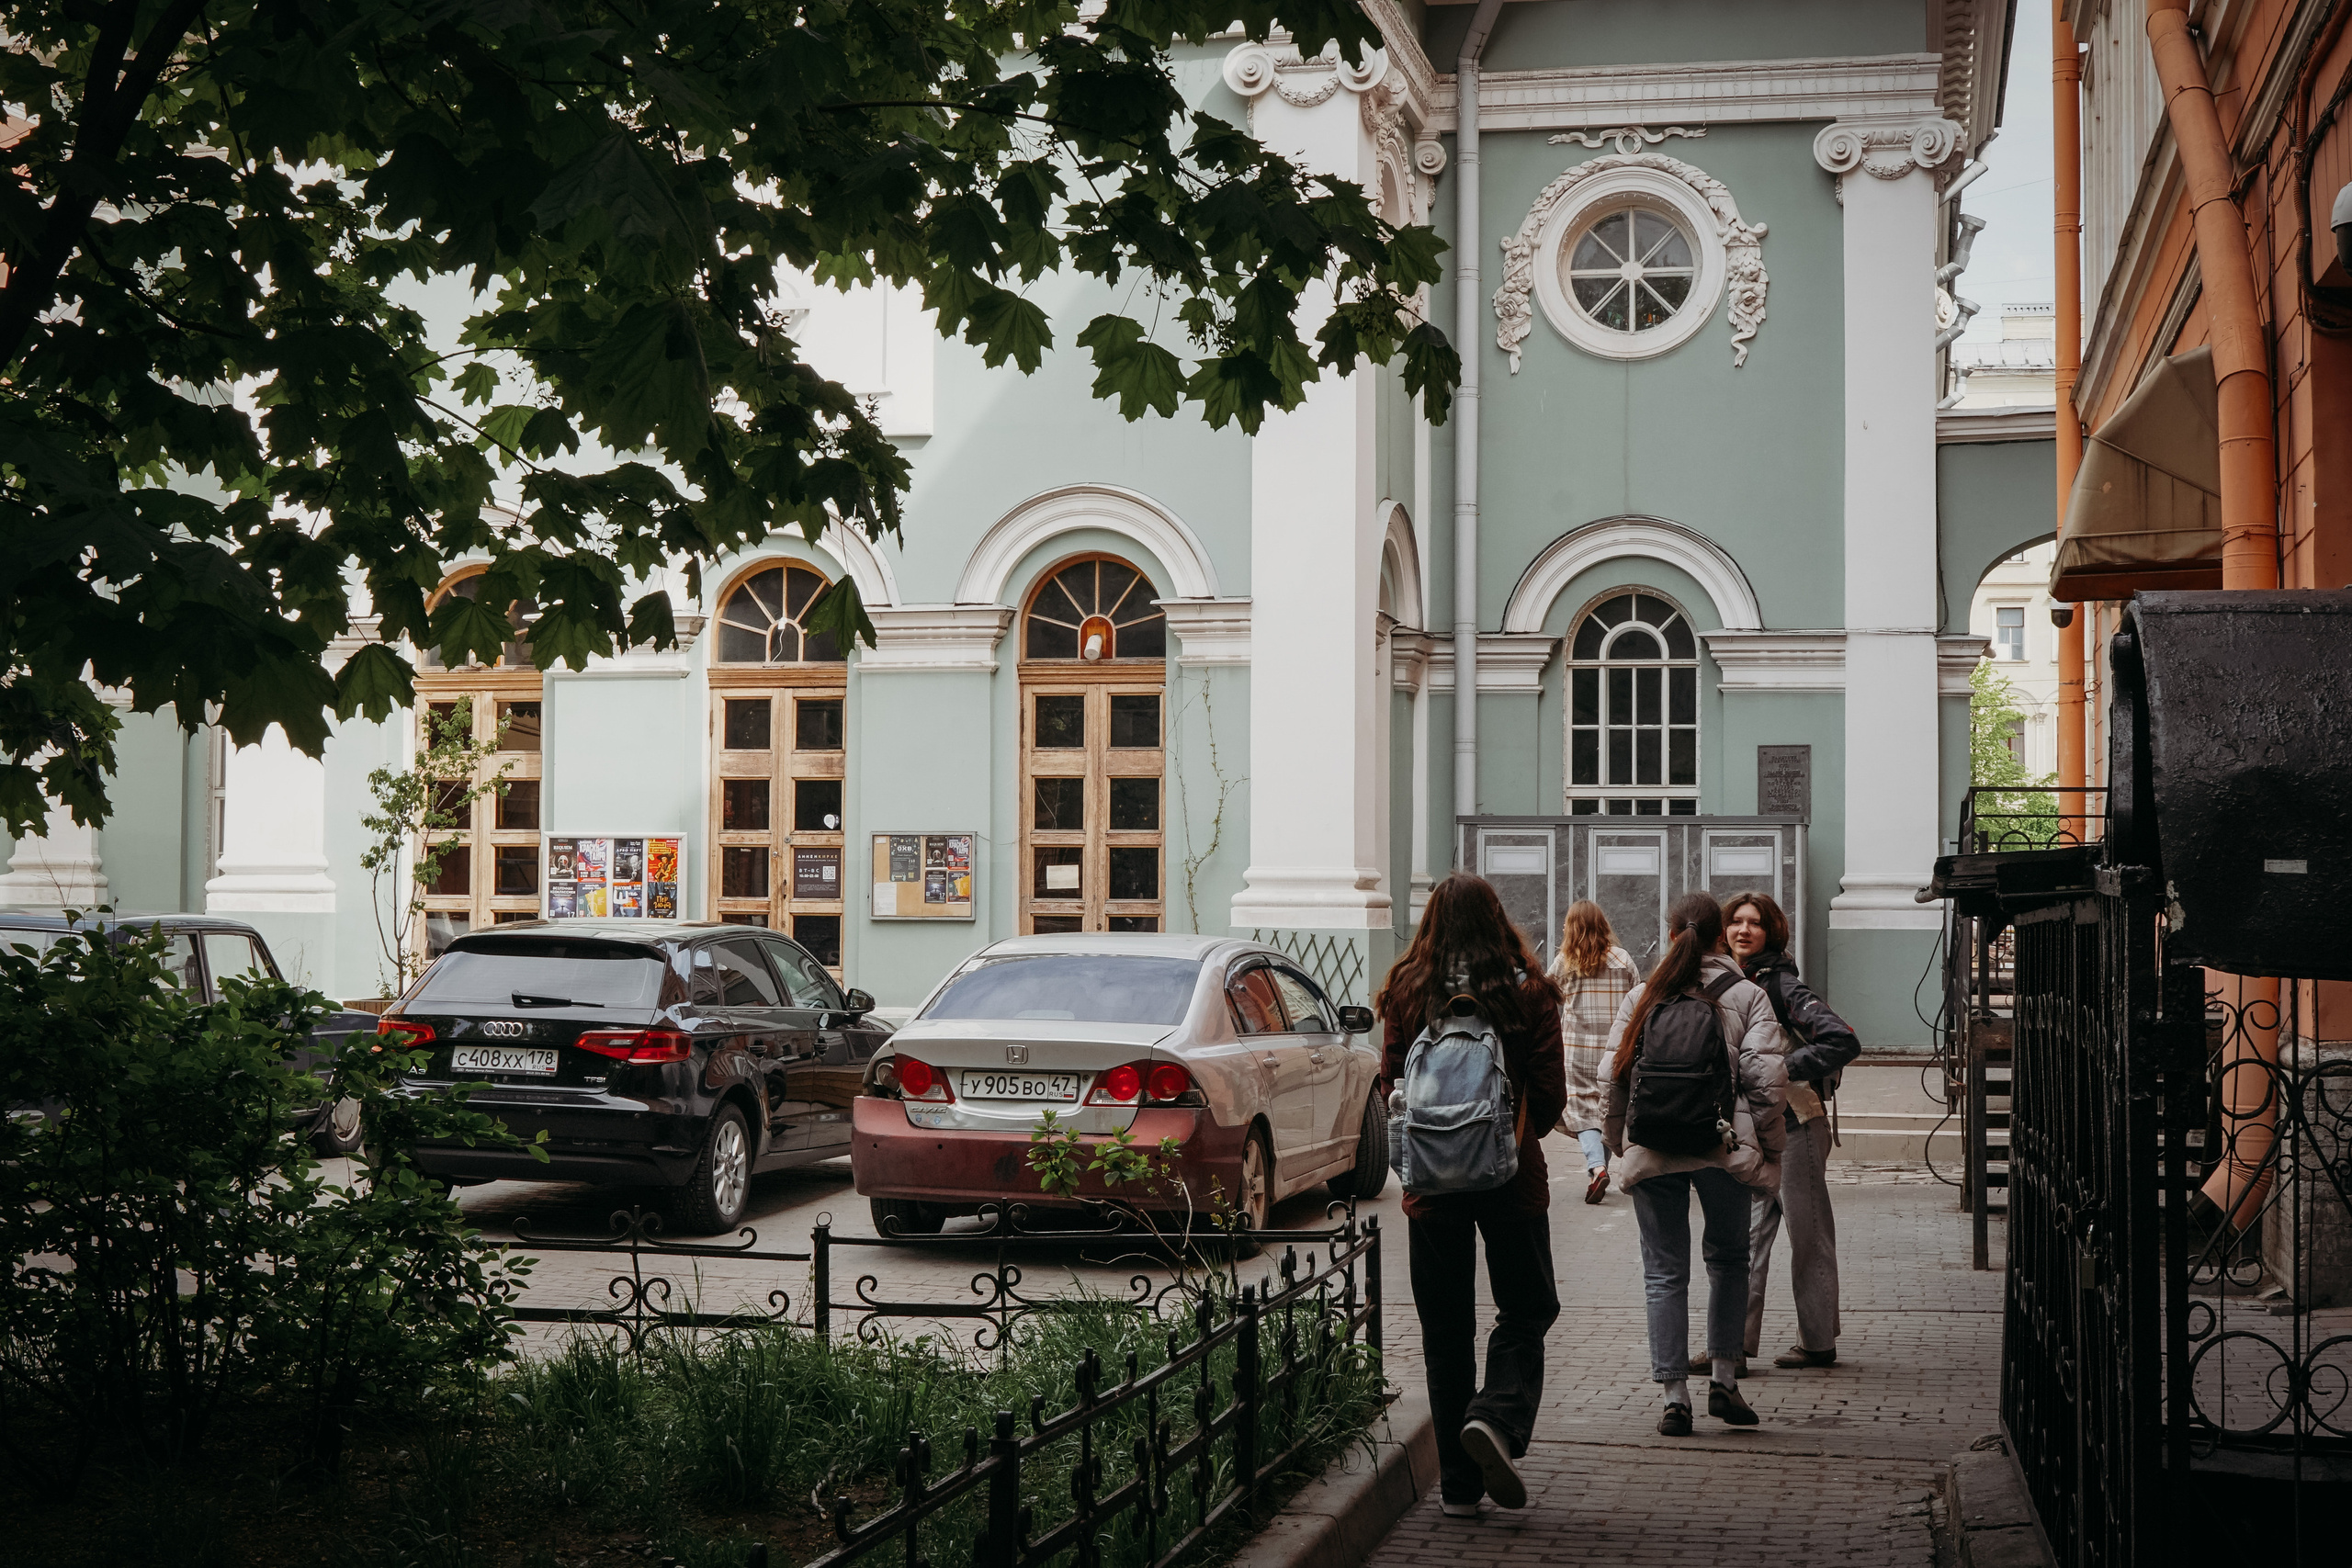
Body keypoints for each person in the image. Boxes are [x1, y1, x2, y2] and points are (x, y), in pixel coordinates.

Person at [1376, 874, 1566, 1517]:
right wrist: (1503, 1142)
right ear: (1497, 919)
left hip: (1430, 1190)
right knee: (1527, 1306)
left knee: (1445, 1329)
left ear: (1431, 921)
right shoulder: (1528, 991)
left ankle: (1458, 1488)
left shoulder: (1406, 989)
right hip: (1512, 1184)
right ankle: (1496, 1415)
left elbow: (1389, 1088)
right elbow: (1549, 1096)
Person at [1602, 891, 1786, 1437]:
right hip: (1722, 1147)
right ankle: (1725, 1381)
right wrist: (1769, 1147)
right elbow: (1767, 1085)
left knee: (1664, 1271)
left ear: (1672, 930)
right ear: (1718, 935)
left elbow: (1611, 1078)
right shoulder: (1748, 995)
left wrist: (1620, 1143)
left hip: (1654, 1146)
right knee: (1729, 1260)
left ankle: (1674, 1398)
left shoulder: (1643, 995)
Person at [1720, 889, 1860, 1374]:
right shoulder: (1734, 980)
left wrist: (1777, 1068)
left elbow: (1841, 1038)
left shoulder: (1782, 985)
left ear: (1771, 931)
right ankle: (1732, 1347)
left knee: (1809, 1233)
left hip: (1797, 1124)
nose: (1743, 930)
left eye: (1754, 923)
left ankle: (1818, 1343)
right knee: (1748, 1238)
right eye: (1736, 921)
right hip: (1754, 1128)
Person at [1547, 900, 1640, 1204]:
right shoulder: (1623, 959)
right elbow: (1639, 1001)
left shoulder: (1565, 961)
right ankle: (1601, 1170)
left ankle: (1597, 1168)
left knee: (1583, 1112)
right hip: (1615, 1051)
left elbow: (1546, 996)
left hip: (1576, 1053)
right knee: (1608, 1108)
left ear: (1573, 928)